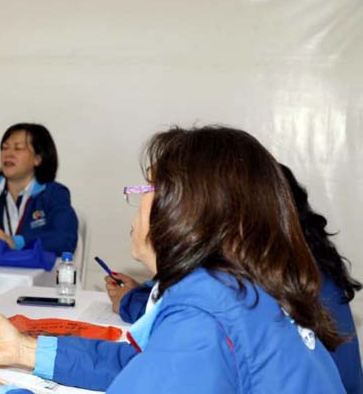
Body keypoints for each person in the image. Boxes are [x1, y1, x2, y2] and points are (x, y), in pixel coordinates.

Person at [0, 126, 346, 393]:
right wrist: (24, 350)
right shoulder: (239, 289)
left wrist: (4, 392)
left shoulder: (204, 313)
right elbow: (136, 366)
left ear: (185, 209)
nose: (136, 199)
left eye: (145, 187)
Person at [105, 164, 363, 394]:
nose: (140, 200)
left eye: (150, 189)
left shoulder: (243, 288)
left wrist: (130, 301)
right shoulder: (286, 269)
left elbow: (206, 325)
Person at [0, 123, 77, 256]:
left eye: (18, 148)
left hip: (34, 274)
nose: (8, 154)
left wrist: (16, 242)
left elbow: (64, 238)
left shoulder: (54, 194)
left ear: (37, 159)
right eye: (5, 148)